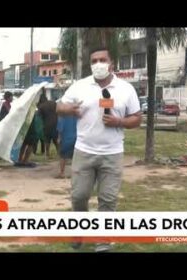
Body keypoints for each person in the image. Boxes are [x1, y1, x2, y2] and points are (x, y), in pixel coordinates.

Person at [56, 47, 142, 252]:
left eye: (102, 60)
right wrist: (69, 109)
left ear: (111, 63)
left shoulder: (126, 89)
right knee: (79, 196)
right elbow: (59, 106)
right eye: (94, 61)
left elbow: (137, 118)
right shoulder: (80, 86)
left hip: (112, 154)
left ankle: (103, 241)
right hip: (84, 151)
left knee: (108, 199)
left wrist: (119, 121)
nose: (98, 64)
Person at [38, 91, 59, 159]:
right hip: (56, 123)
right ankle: (60, 154)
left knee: (47, 140)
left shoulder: (41, 106)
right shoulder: (54, 103)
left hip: (46, 125)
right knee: (56, 140)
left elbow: (39, 117)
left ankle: (47, 154)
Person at [55, 115, 77, 179]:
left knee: (63, 156)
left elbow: (60, 127)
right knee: (75, 156)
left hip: (66, 137)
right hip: (77, 137)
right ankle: (74, 173)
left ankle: (62, 173)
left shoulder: (63, 115)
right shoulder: (77, 113)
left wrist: (59, 137)